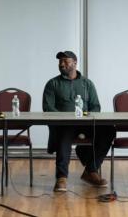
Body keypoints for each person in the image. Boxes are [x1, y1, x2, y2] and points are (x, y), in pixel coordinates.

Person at [42, 51, 115, 192]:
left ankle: (91, 171)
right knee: (65, 131)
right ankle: (61, 177)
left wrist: (87, 116)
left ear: (75, 63)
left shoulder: (87, 84)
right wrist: (65, 119)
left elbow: (95, 107)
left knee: (109, 129)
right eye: (60, 62)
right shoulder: (53, 84)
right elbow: (48, 108)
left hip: (85, 123)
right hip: (64, 125)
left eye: (65, 61)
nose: (62, 64)